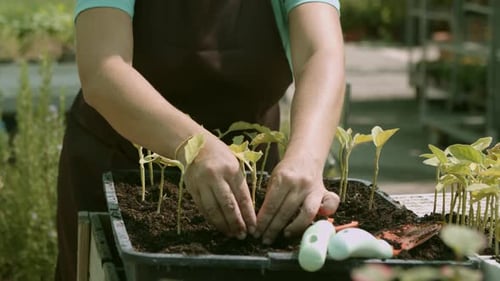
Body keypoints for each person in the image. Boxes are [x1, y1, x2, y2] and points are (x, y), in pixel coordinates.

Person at [55, 0, 345, 280]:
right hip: (122, 169)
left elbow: (320, 54)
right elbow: (103, 70)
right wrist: (196, 147)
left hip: (246, 185)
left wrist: (307, 156)